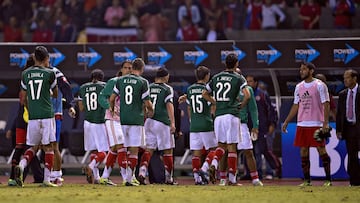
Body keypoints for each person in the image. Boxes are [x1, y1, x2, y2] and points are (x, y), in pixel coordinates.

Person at [202, 53, 250, 185]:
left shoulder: (216, 77)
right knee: (232, 147)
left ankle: (214, 163)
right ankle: (232, 180)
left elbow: (204, 93)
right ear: (236, 64)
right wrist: (241, 105)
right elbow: (247, 95)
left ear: (225, 64)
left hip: (218, 116)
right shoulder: (238, 77)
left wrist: (214, 102)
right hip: (231, 114)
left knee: (221, 145)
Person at [282, 62, 332, 187]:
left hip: (316, 123)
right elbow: (296, 105)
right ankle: (307, 180)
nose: (301, 72)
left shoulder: (320, 85)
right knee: (303, 151)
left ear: (311, 71)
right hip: (302, 123)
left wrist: (325, 123)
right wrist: (287, 121)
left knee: (321, 150)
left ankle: (328, 180)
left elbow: (326, 104)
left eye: (304, 69)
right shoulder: (299, 87)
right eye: (300, 70)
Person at [15, 46, 58, 187]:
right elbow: (55, 93)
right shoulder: (50, 73)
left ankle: (21, 165)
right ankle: (46, 179)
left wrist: (30, 108)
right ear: (46, 58)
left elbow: (23, 97)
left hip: (33, 116)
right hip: (46, 114)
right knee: (49, 147)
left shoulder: (25, 74)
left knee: (33, 147)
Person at [110, 58, 153, 186]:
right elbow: (147, 103)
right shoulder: (143, 82)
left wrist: (112, 110)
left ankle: (126, 178)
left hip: (123, 119)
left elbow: (112, 98)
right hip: (136, 119)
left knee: (125, 149)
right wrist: (151, 110)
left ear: (132, 67)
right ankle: (128, 179)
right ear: (142, 69)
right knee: (134, 150)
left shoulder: (121, 80)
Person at [177, 66, 217, 185]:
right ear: (206, 76)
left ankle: (197, 178)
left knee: (196, 153)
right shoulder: (207, 89)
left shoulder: (190, 89)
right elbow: (213, 107)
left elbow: (189, 107)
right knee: (214, 149)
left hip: (194, 125)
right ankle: (204, 168)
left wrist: (191, 120)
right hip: (206, 123)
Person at [7, 55, 43, 186]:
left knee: (19, 147)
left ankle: (12, 178)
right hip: (31, 118)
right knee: (33, 148)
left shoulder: (24, 77)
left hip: (21, 119)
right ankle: (37, 176)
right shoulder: (36, 77)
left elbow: (21, 101)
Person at [137, 67, 176, 185]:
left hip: (149, 121)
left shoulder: (148, 87)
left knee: (149, 150)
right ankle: (169, 178)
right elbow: (169, 105)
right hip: (162, 122)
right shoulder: (167, 88)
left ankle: (142, 172)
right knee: (168, 151)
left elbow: (144, 104)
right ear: (165, 77)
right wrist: (172, 122)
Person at [98, 60, 132, 186]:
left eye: (130, 68)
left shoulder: (134, 83)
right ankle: (125, 179)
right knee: (121, 145)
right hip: (112, 119)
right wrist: (110, 107)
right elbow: (101, 96)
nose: (128, 70)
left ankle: (105, 177)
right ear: (121, 69)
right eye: (126, 68)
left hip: (125, 120)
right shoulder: (113, 81)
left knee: (114, 148)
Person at [246, 75, 281, 180]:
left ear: (256, 82)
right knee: (249, 150)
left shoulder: (262, 94)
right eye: (247, 81)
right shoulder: (245, 94)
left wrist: (272, 124)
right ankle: (252, 173)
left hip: (262, 128)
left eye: (250, 81)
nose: (248, 83)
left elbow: (271, 110)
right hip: (249, 127)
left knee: (265, 150)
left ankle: (273, 170)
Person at [47, 62, 76, 186]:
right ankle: (48, 175)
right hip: (41, 115)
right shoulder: (33, 74)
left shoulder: (55, 72)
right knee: (41, 147)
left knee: (53, 146)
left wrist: (70, 105)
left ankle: (57, 175)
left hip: (54, 114)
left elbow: (66, 87)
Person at [78, 69, 107, 184]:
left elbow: (81, 108)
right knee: (103, 151)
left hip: (88, 122)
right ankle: (90, 166)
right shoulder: (104, 86)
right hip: (99, 121)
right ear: (102, 78)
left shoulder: (83, 88)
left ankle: (97, 177)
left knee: (94, 151)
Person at [336, 69, 360, 186]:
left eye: (347, 77)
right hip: (349, 129)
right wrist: (339, 130)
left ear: (355, 78)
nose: (345, 80)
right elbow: (339, 114)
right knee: (352, 156)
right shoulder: (342, 94)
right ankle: (355, 182)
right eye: (344, 78)